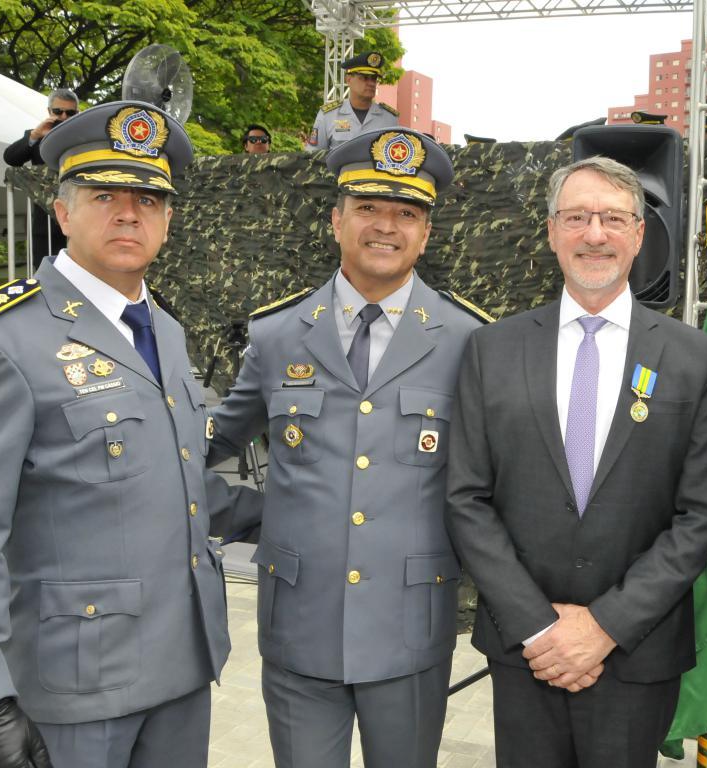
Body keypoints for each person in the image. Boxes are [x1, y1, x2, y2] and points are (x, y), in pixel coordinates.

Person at [0, 100, 261, 767]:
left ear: (168, 218)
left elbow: (172, 480)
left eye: (149, 198)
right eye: (103, 194)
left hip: (183, 669)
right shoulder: (2, 343)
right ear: (61, 211)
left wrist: (289, 503)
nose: (128, 213)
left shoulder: (167, 334)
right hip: (74, 689)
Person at [207, 128, 487, 768]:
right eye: (368, 208)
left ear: (427, 232)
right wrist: (255, 515)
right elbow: (202, 447)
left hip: (410, 630)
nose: (386, 226)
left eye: (407, 213)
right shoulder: (276, 334)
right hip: (299, 626)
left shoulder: (468, 340)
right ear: (336, 221)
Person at [445, 155, 707, 768]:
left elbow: (702, 513)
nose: (594, 234)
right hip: (525, 651)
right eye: (576, 217)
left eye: (612, 218)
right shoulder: (490, 349)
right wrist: (539, 627)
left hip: (635, 652)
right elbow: (467, 498)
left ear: (638, 235)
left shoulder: (695, 358)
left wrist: (605, 625)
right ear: (551, 232)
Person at [2, 88, 78, 264]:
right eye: (58, 112)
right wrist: (35, 135)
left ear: (77, 113)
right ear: (49, 112)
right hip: (46, 225)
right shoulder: (36, 135)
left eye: (70, 112)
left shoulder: (83, 139)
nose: (64, 117)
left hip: (79, 223)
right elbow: (11, 158)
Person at [303, 52, 399, 153]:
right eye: (364, 78)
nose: (371, 83)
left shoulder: (390, 118)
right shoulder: (328, 115)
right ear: (348, 80)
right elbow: (313, 156)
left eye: (374, 79)